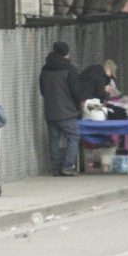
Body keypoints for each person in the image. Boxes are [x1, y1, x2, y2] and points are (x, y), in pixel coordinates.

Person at [39, 41, 82, 176]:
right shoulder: (70, 69)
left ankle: (56, 167)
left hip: (50, 110)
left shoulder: (45, 69)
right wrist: (77, 107)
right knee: (73, 137)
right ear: (66, 53)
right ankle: (68, 166)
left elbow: (42, 89)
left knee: (54, 139)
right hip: (67, 111)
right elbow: (75, 91)